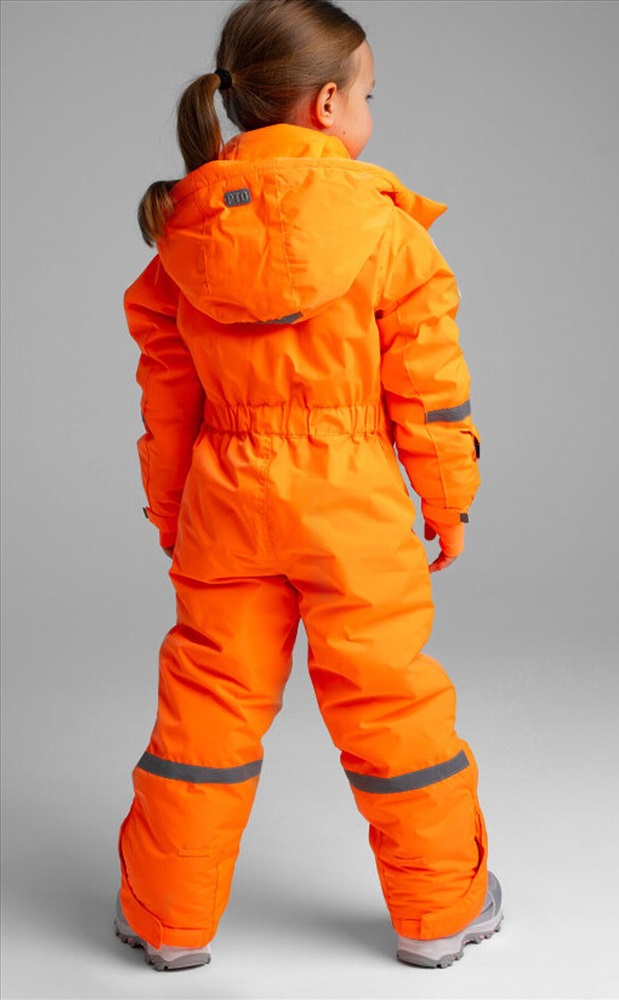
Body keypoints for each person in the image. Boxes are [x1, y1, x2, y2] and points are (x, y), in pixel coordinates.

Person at [115, 0, 502, 973]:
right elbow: (430, 392)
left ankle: (165, 919)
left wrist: (172, 512)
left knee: (206, 704)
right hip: (351, 501)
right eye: (369, 94)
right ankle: (436, 912)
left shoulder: (184, 231)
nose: (368, 110)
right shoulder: (386, 233)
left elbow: (166, 399)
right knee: (388, 701)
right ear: (328, 104)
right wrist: (446, 502)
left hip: (225, 498)